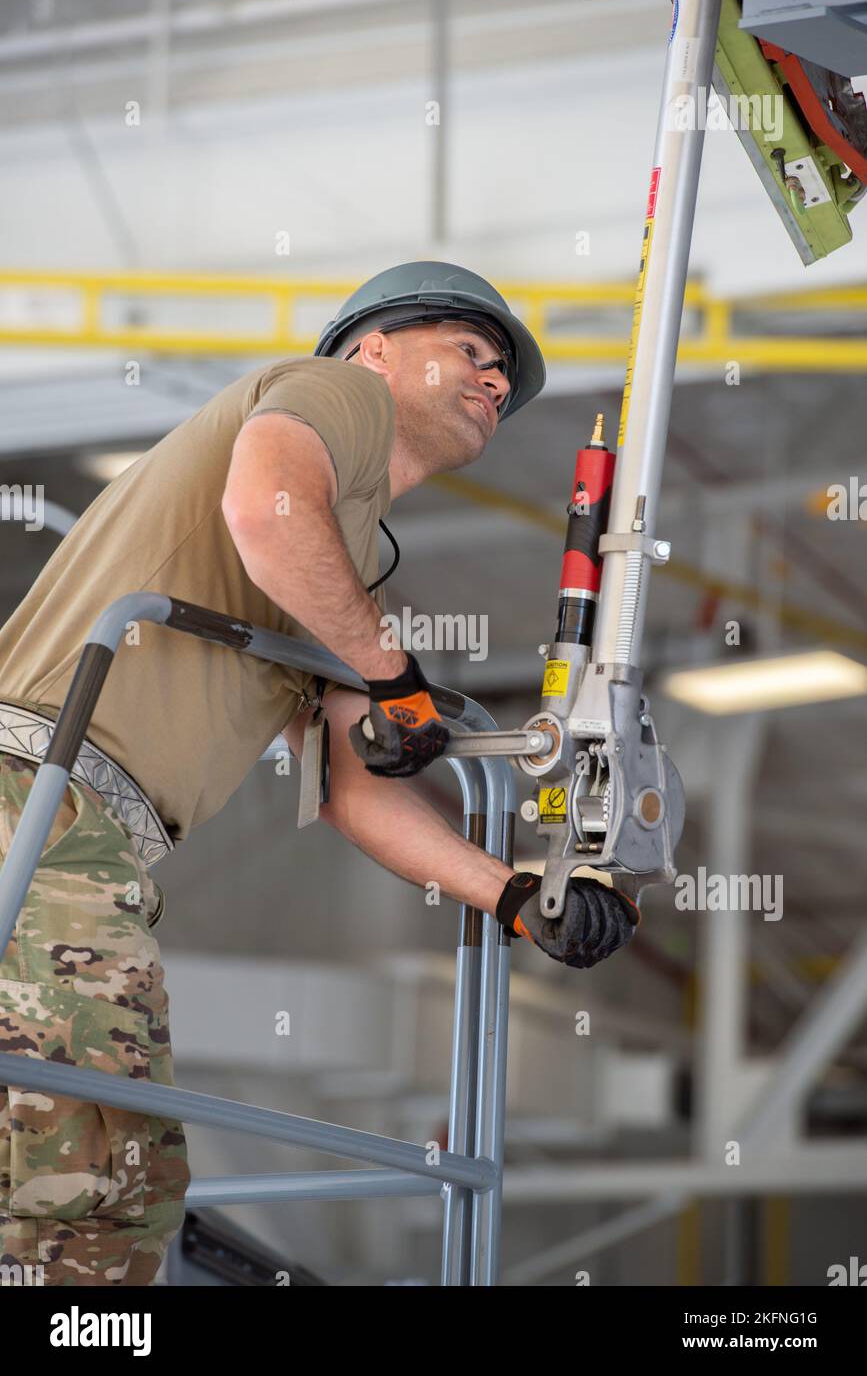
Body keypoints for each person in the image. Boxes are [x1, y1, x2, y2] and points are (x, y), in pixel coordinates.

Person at [0, 261, 638, 1286]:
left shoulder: (345, 568)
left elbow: (353, 787)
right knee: (83, 1177)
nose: (492, 383)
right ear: (373, 346)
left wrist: (517, 894)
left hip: (83, 828)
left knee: (115, 1172)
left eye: (503, 382)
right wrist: (395, 675)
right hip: (35, 799)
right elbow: (265, 510)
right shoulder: (330, 394)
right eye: (470, 352)